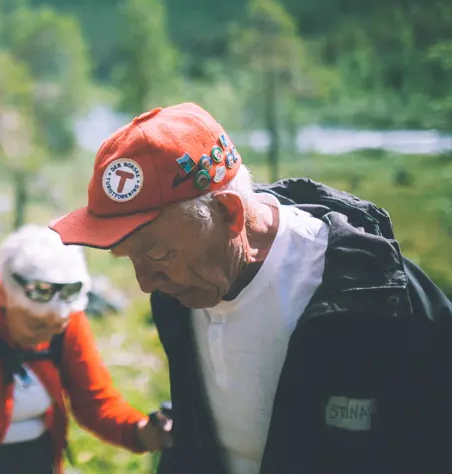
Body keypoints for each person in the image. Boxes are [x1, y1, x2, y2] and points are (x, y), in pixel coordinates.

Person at [48, 102, 452, 474]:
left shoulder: (379, 296)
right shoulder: (177, 295)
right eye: (128, 257)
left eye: (156, 254)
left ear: (229, 214)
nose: (144, 283)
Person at [0, 224, 172, 474]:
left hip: (33, 459)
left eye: (57, 327)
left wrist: (144, 431)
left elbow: (95, 401)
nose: (48, 336)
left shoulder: (63, 313)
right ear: (3, 297)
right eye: (36, 325)